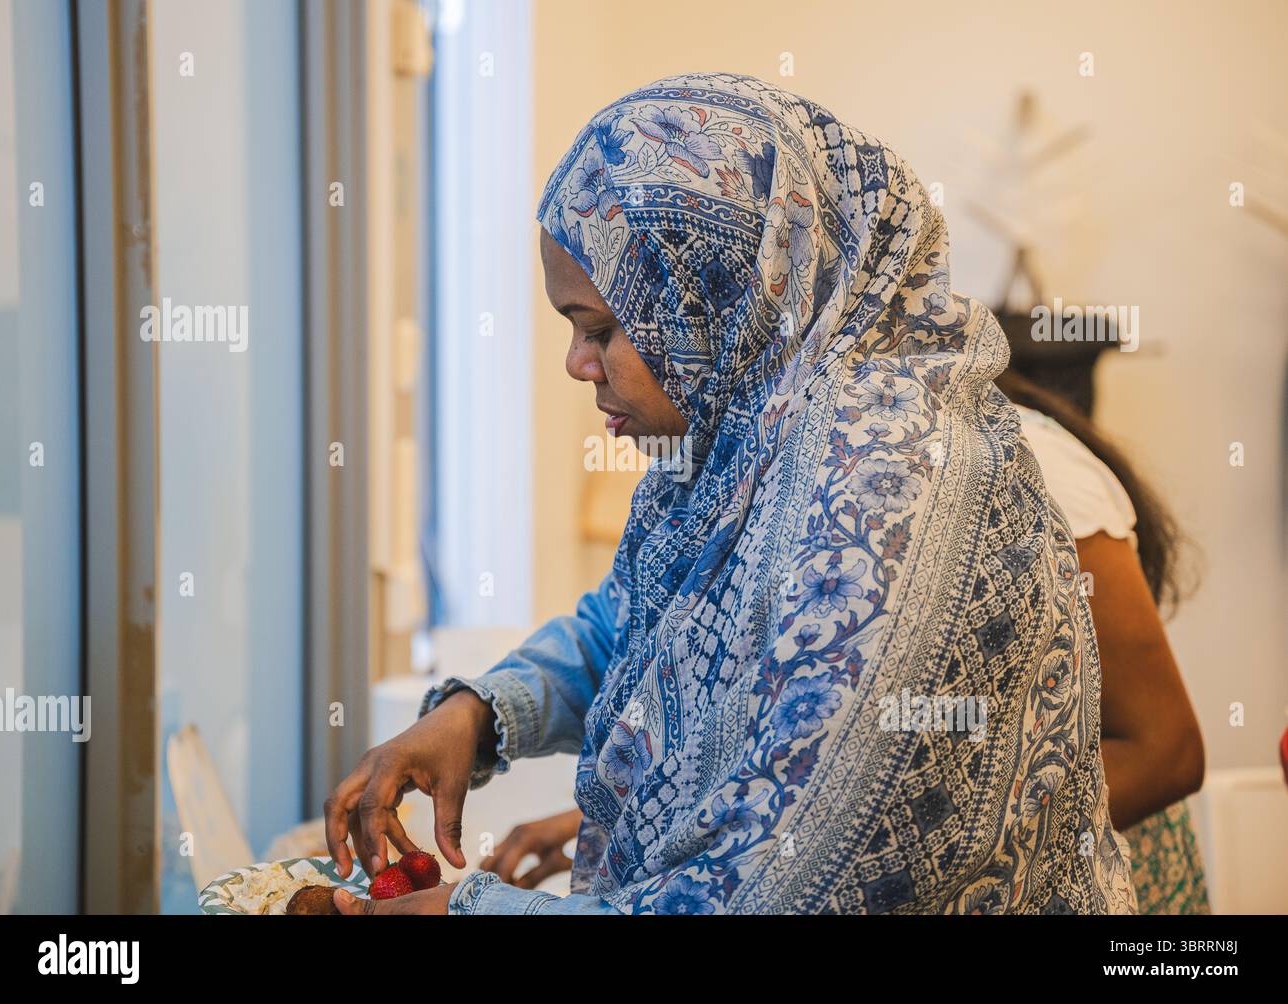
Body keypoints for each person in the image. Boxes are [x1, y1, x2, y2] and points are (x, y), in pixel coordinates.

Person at [323, 71, 1137, 915]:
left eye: (601, 330)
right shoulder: (746, 440)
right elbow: (645, 625)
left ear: (715, 297)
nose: (577, 364)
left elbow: (771, 894)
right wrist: (478, 714)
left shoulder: (881, 493)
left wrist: (462, 910)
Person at [484, 371, 1210, 914]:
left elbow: (1168, 750)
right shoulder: (775, 472)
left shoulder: (1010, 476)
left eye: (607, 331)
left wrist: (945, 827)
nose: (589, 366)